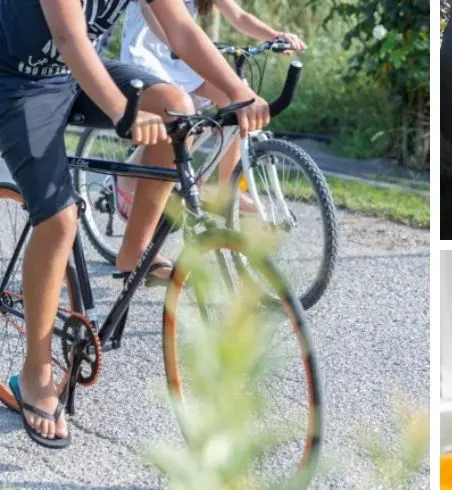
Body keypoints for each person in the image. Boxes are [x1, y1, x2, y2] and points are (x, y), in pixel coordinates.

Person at [0, 0, 271, 448]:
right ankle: (35, 373)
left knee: (175, 107)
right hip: (16, 82)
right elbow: (68, 37)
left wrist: (237, 91)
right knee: (60, 220)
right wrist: (123, 113)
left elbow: (181, 28)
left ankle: (133, 253)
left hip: (75, 74)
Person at [115, 0, 306, 225]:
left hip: (184, 55)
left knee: (234, 101)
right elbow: (159, 20)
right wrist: (194, 49)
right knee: (182, 121)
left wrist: (274, 35)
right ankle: (126, 177)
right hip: (147, 56)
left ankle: (227, 191)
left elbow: (239, 16)